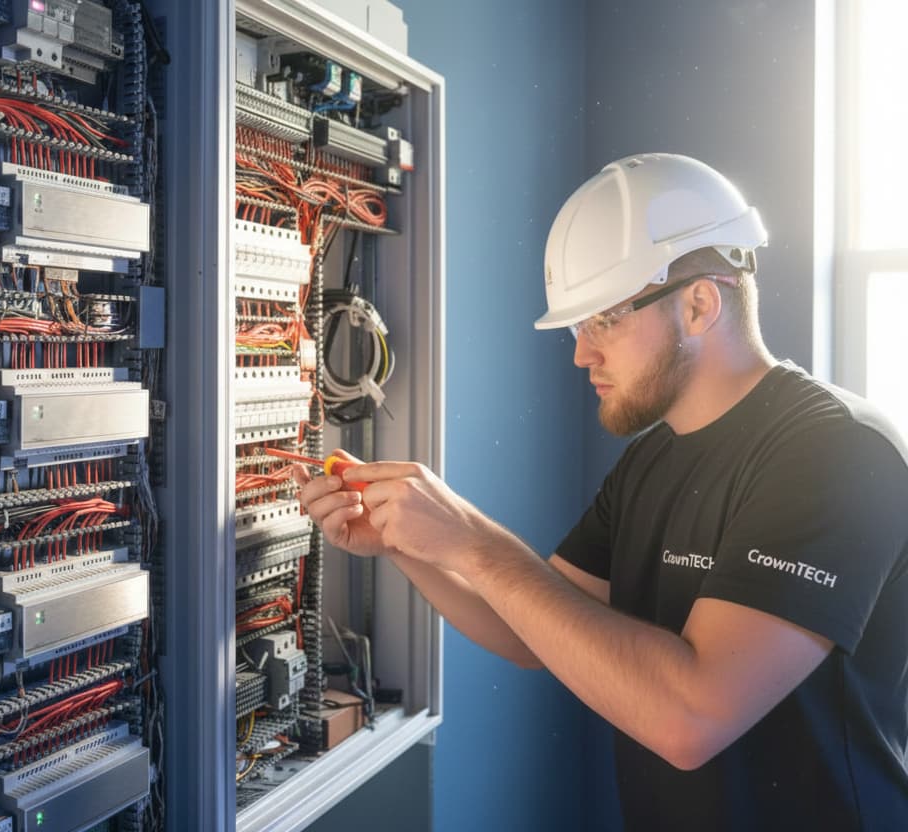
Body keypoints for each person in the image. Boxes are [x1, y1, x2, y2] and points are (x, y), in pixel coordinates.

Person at [295, 153, 908, 830]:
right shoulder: (655, 458)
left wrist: (471, 542)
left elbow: (691, 716)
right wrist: (405, 541)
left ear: (700, 303)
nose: (583, 353)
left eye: (604, 321)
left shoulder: (837, 451)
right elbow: (528, 628)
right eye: (577, 328)